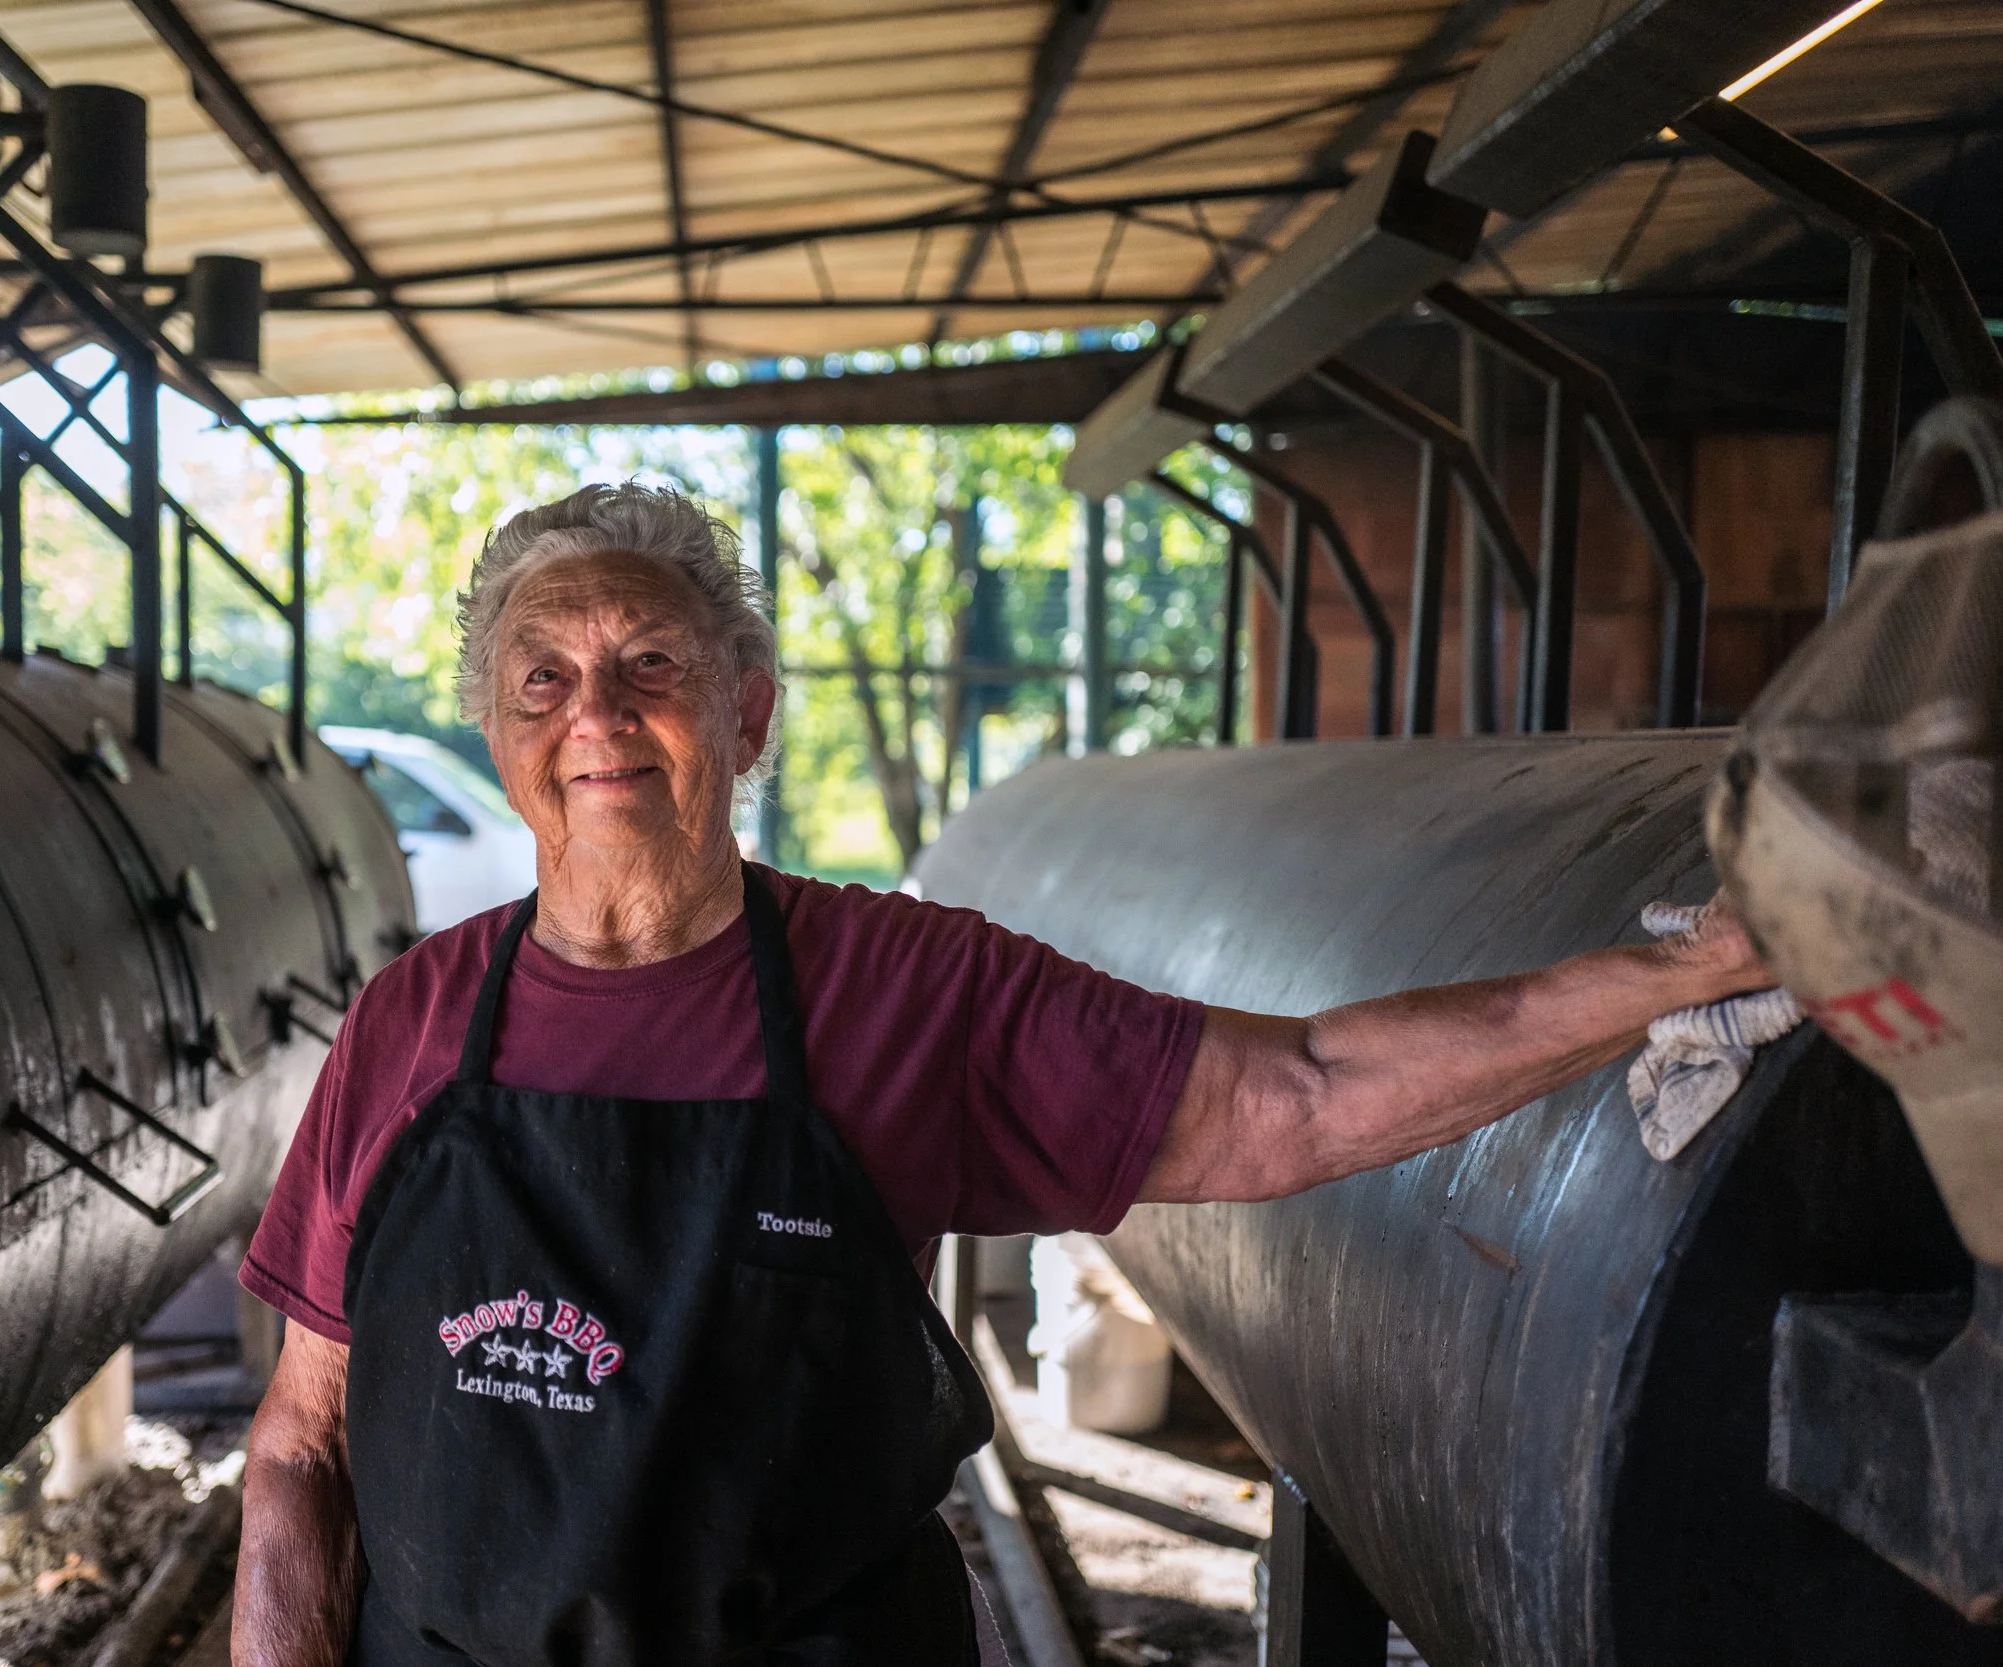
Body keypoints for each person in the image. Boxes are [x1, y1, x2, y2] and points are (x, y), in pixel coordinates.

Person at [231, 483, 1770, 1666]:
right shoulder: (411, 1025)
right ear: (501, 734)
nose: (598, 717)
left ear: (745, 711)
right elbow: (304, 1444)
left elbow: (1301, 1090)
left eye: (649, 663)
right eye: (543, 679)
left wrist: (1674, 973)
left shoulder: (909, 991)